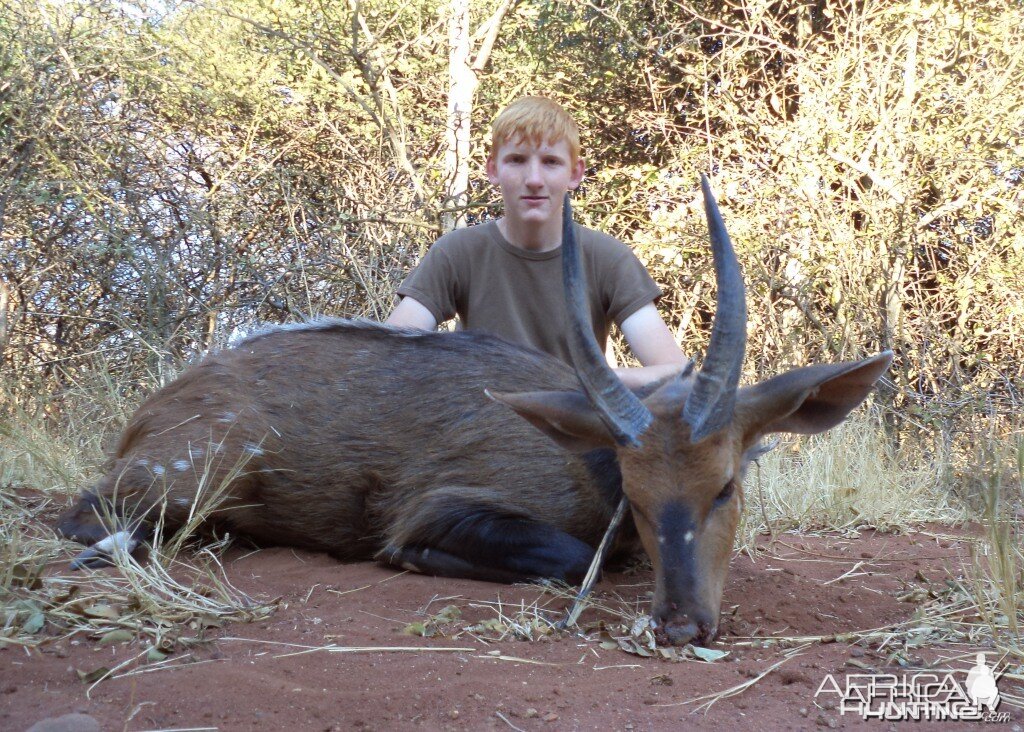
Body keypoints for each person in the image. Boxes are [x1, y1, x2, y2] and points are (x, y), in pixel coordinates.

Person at [386, 96, 688, 388]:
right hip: (479, 431)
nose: (533, 178)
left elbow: (678, 375)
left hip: (575, 432)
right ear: (493, 170)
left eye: (551, 162)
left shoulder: (607, 259)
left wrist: (589, 382)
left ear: (575, 173)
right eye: (517, 160)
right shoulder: (458, 252)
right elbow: (388, 356)